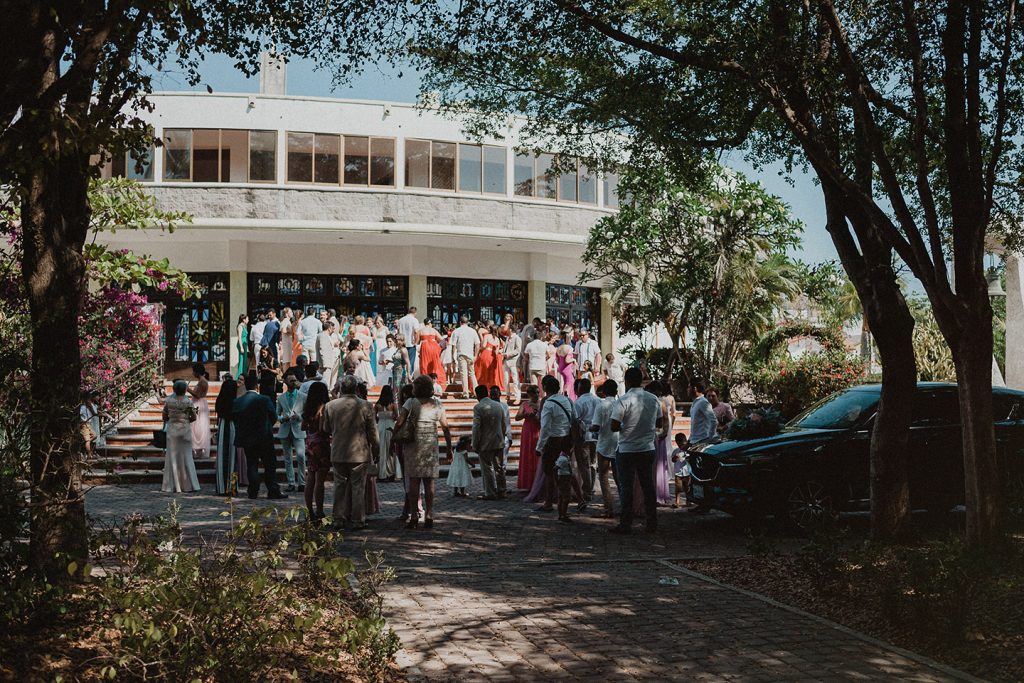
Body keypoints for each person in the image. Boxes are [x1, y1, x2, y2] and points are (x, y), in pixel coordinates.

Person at [394, 375, 453, 529]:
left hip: (413, 444)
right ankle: (429, 514)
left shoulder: (410, 402)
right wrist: (449, 448)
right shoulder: (438, 404)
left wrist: (394, 436)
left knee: (414, 480)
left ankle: (414, 515)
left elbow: (400, 421)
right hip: (430, 444)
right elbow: (446, 427)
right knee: (429, 481)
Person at [610, 367, 663, 534]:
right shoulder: (653, 399)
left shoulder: (623, 400)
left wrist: (628, 426)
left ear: (626, 381)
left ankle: (626, 523)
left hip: (627, 448)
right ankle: (651, 522)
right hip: (647, 447)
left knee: (626, 487)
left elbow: (614, 426)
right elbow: (659, 423)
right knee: (648, 486)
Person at [323, 375, 379, 531]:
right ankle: (358, 520)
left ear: (341, 388)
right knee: (358, 488)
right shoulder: (366, 406)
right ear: (356, 388)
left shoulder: (331, 405)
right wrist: (376, 448)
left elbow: (326, 429)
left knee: (339, 487)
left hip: (339, 451)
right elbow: (372, 431)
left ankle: (338, 518)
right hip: (359, 453)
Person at [233, 372, 286, 500]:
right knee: (269, 464)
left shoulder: (238, 402)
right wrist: (267, 426)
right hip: (264, 437)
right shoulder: (264, 399)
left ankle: (253, 490)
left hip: (247, 437)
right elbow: (273, 416)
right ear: (257, 386)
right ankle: (272, 490)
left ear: (245, 385)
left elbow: (236, 419)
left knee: (251, 464)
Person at [535, 374, 575, 513]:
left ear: (545, 388)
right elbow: (574, 418)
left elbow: (545, 427)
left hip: (554, 440)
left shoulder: (549, 404)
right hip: (567, 439)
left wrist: (539, 447)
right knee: (565, 469)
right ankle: (567, 498)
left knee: (550, 472)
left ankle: (549, 502)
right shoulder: (567, 400)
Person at [161, 380, 201, 493]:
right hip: (184, 430)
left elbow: (164, 416)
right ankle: (189, 484)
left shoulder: (169, 400)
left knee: (172, 457)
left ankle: (171, 485)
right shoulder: (188, 402)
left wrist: (171, 419)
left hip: (172, 430)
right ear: (184, 390)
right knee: (187, 457)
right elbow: (193, 417)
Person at [301, 381, 332, 521]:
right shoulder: (324, 408)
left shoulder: (308, 408)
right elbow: (323, 429)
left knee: (310, 478)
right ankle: (319, 511)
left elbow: (303, 427)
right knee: (320, 480)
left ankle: (309, 511)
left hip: (310, 444)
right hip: (321, 445)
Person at [590, 379, 619, 518]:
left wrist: (588, 427)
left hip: (604, 443)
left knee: (603, 476)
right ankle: (625, 505)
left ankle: (609, 508)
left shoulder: (602, 405)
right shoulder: (620, 403)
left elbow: (595, 426)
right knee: (620, 478)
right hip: (619, 443)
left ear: (604, 392)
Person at [472, 385, 508, 500]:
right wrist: (501, 436)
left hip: (485, 443)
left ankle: (490, 492)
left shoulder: (478, 407)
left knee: (487, 468)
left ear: (477, 395)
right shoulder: (498, 406)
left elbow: (476, 428)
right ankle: (502, 491)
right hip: (498, 440)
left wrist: (475, 443)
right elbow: (503, 425)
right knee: (499, 468)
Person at [277, 374, 306, 493]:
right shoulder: (281, 398)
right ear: (285, 382)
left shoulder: (303, 396)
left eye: (295, 379)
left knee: (301, 456)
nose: (293, 381)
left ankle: (302, 482)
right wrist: (282, 418)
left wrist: (298, 416)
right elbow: (277, 413)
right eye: (291, 380)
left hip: (298, 428)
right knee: (287, 458)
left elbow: (306, 413)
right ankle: (291, 482)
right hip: (285, 428)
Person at [214, 376, 243, 495]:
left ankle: (221, 487)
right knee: (232, 458)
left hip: (222, 426)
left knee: (221, 456)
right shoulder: (235, 402)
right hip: (231, 428)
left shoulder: (220, 401)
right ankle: (231, 487)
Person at [573, 377, 599, 498]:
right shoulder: (598, 400)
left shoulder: (579, 402)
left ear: (580, 388)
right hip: (596, 435)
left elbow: (575, 421)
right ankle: (591, 487)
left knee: (584, 464)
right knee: (593, 463)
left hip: (584, 435)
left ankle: (587, 490)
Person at [650, 381, 674, 506]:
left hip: (658, 437)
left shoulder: (661, 403)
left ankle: (658, 493)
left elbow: (665, 421)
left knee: (659, 466)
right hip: (653, 436)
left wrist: (661, 434)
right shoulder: (654, 402)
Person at [515, 385, 542, 491]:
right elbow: (517, 417)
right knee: (527, 454)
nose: (537, 395)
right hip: (527, 431)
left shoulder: (541, 403)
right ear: (530, 394)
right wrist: (526, 414)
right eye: (535, 393)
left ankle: (538, 481)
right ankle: (527, 483)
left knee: (537, 454)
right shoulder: (525, 404)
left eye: (538, 392)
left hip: (538, 429)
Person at [450, 316, 480, 398]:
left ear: (460, 322)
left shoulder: (456, 331)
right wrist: (476, 356)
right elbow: (477, 344)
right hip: (470, 354)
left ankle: (466, 393)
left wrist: (453, 356)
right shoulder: (473, 331)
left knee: (463, 374)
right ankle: (477, 392)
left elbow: (453, 346)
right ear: (467, 322)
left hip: (461, 354)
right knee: (472, 374)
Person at [375, 385, 400, 481]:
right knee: (391, 449)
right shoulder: (393, 405)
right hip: (390, 427)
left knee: (381, 449)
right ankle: (392, 472)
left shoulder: (377, 405)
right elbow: (396, 417)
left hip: (380, 427)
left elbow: (374, 418)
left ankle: (381, 473)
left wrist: (380, 418)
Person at [188, 362, 212, 458]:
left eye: (193, 371)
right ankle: (196, 449)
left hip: (199, 404)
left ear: (197, 372)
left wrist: (187, 389)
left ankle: (199, 448)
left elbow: (197, 395)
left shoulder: (202, 381)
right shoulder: (202, 380)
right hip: (198, 403)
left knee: (198, 426)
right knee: (195, 426)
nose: (192, 373)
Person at [474, 323, 505, 393]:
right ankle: (489, 389)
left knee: (481, 372)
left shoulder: (487, 336)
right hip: (493, 357)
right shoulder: (498, 339)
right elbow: (497, 352)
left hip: (485, 355)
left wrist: (480, 349)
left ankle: (480, 388)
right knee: (490, 374)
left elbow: (484, 345)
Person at [417, 319, 448, 386]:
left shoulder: (421, 331)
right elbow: (442, 340)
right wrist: (440, 348)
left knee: (424, 364)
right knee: (435, 364)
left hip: (425, 347)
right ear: (430, 323)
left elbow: (417, 342)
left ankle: (425, 381)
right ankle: (435, 380)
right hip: (433, 347)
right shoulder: (434, 330)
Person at [79, 390, 108, 458]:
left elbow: (96, 411)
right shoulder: (85, 406)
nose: (98, 397)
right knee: (90, 439)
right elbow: (93, 413)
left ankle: (87, 445)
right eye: (97, 396)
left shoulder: (93, 405)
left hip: (91, 423)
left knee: (95, 436)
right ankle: (89, 452)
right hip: (87, 423)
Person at [689, 380, 718, 445]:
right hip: (695, 441)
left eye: (689, 387)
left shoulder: (703, 402)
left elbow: (713, 421)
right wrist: (689, 440)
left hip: (702, 441)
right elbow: (694, 425)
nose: (687, 389)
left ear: (695, 388)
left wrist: (709, 438)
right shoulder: (695, 403)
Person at [316, 320, 340, 388]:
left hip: (325, 363)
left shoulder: (324, 335)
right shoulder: (323, 335)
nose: (333, 330)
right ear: (329, 328)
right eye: (333, 329)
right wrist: (325, 363)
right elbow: (322, 349)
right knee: (324, 381)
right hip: (325, 364)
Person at [396, 307, 420, 374]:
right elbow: (416, 331)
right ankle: (409, 376)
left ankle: (402, 375)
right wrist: (416, 342)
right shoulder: (414, 320)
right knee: (410, 362)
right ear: (415, 313)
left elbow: (398, 332)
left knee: (402, 361)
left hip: (402, 343)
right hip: (410, 344)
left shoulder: (400, 320)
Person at [502, 325, 523, 404]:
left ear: (511, 330)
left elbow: (518, 350)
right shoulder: (508, 338)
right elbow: (506, 348)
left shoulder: (517, 338)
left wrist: (508, 354)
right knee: (506, 379)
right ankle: (508, 394)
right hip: (506, 361)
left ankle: (518, 397)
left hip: (513, 361)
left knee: (515, 379)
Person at [671, 432, 691, 508]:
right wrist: (675, 458)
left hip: (687, 472)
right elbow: (672, 460)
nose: (682, 447)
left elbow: (690, 459)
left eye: (683, 445)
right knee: (678, 488)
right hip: (678, 473)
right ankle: (677, 501)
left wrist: (688, 458)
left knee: (688, 488)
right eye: (680, 445)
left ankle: (688, 500)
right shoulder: (676, 451)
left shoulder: (688, 451)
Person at [554, 451, 575, 523]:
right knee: (566, 498)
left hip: (565, 478)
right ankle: (563, 515)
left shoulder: (565, 457)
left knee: (561, 498)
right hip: (564, 479)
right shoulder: (563, 459)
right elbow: (555, 469)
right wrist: (556, 481)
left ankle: (561, 514)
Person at [555, 335, 577, 399]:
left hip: (561, 368)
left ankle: (564, 397)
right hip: (567, 369)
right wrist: (574, 360)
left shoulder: (559, 348)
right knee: (570, 383)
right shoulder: (569, 348)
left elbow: (557, 360)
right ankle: (569, 398)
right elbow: (567, 360)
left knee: (565, 383)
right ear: (569, 340)